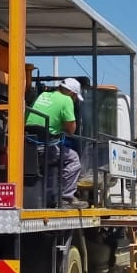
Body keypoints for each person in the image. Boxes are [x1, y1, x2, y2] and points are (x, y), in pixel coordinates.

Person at [25, 78, 87, 208]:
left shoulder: (43, 95)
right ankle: (66, 197)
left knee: (52, 162)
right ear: (72, 93)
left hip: (28, 144)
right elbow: (71, 129)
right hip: (45, 147)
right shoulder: (67, 100)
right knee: (73, 160)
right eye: (75, 96)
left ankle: (49, 196)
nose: (75, 99)